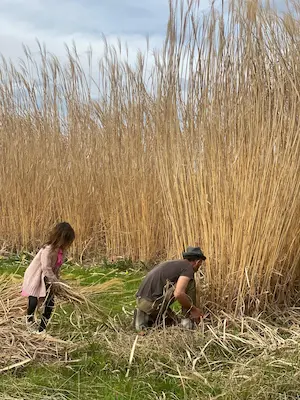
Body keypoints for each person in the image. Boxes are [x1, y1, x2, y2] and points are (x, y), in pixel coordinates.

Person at [133, 246, 206, 332]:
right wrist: (194, 309)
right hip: (151, 303)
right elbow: (178, 294)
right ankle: (187, 320)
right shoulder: (188, 269)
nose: (199, 266)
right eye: (200, 264)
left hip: (141, 300)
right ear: (198, 262)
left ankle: (144, 317)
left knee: (172, 322)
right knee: (190, 283)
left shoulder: (174, 264)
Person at [22, 222, 75, 333]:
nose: (66, 244)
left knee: (49, 303)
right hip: (35, 278)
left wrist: (58, 280)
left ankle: (42, 329)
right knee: (33, 301)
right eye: (65, 240)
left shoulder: (62, 251)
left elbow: (56, 267)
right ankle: (29, 320)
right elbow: (46, 267)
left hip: (48, 279)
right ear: (59, 237)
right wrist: (55, 281)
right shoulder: (48, 250)